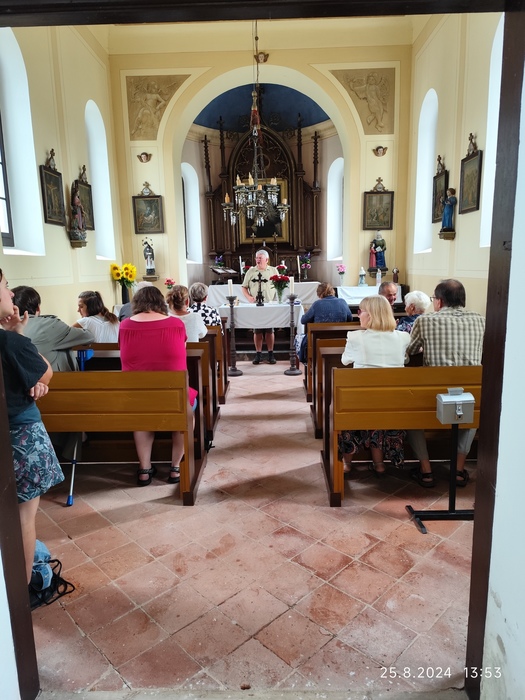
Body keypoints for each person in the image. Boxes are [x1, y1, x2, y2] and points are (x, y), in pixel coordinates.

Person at [0, 269, 64, 583]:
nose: (11, 293)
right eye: (5, 286)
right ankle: (22, 594)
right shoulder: (9, 341)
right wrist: (18, 335)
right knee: (24, 519)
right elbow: (45, 373)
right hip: (21, 438)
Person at [405, 279, 485, 487]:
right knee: (473, 409)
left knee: (410, 415)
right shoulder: (481, 320)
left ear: (439, 301)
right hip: (469, 391)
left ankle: (426, 470)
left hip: (434, 394)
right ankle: (458, 470)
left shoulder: (425, 321)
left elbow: (410, 351)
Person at [119, 286, 197, 486]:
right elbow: (182, 349)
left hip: (137, 395)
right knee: (187, 410)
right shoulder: (176, 324)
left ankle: (144, 470)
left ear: (137, 303)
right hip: (173, 395)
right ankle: (175, 468)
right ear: (161, 303)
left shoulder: (125, 325)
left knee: (142, 417)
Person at [339, 295, 410, 477]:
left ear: (370, 314)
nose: (358, 315)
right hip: (393, 403)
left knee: (352, 408)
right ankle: (379, 464)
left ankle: (347, 464)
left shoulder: (355, 337)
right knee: (378, 415)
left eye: (360, 311)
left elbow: (345, 360)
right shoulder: (403, 337)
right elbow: (404, 359)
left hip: (361, 403)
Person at [12, 285, 94, 371]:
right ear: (38, 308)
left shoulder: (6, 328)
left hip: (18, 377)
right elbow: (88, 337)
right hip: (51, 377)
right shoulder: (48, 325)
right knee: (62, 347)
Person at [242, 249, 278, 364]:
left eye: (260, 258)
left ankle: (271, 354)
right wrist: (249, 297)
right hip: (256, 305)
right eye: (256, 258)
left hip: (269, 304)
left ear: (266, 260)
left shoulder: (273, 270)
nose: (258, 260)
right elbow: (244, 287)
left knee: (269, 330)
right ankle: (258, 354)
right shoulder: (251, 271)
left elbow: (279, 285)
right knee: (257, 330)